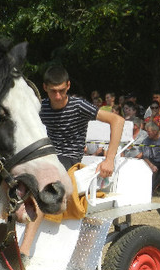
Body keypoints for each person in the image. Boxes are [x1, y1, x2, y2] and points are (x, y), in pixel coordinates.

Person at [21, 65, 124, 258]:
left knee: (44, 189)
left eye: (61, 91)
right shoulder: (41, 107)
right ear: (45, 88)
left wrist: (109, 159)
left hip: (68, 160)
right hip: (44, 158)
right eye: (53, 91)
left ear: (68, 86)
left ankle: (24, 250)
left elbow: (117, 121)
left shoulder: (78, 105)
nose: (58, 96)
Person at [133, 121, 160, 192]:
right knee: (149, 170)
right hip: (153, 161)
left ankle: (152, 189)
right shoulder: (146, 141)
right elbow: (145, 156)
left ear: (155, 131)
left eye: (149, 131)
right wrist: (151, 165)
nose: (147, 134)